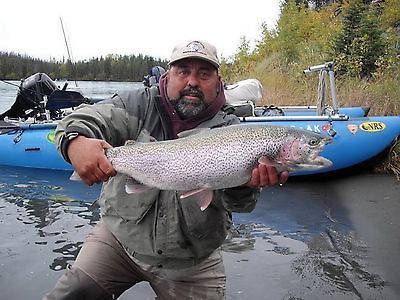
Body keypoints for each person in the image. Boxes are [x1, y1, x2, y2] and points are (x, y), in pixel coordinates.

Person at [44, 40, 288, 300]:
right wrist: (74, 142)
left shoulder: (231, 128)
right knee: (71, 294)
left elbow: (240, 205)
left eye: (204, 74)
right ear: (168, 74)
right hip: (119, 239)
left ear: (218, 81)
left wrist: (244, 185)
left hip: (193, 259)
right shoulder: (137, 103)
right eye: (183, 71)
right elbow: (82, 119)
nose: (192, 82)